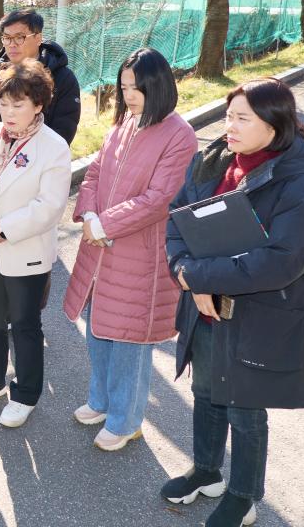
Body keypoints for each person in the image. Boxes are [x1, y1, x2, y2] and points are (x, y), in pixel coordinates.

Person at [160, 78, 304, 527]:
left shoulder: (299, 186)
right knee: (206, 393)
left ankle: (243, 495)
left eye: (241, 118)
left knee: (244, 407)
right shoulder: (213, 161)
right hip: (206, 306)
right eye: (228, 115)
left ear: (273, 126)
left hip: (258, 316)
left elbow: (282, 262)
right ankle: (207, 471)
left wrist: (198, 276)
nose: (228, 126)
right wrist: (189, 277)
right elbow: (177, 221)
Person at [62, 48, 197, 452]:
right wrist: (87, 213)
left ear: (160, 87)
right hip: (99, 245)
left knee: (130, 342)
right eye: (124, 88)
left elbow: (160, 199)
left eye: (138, 88)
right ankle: (102, 402)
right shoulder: (123, 123)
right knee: (99, 329)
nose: (130, 95)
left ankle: (126, 420)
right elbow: (96, 172)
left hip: (140, 253)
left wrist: (104, 223)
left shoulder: (179, 134)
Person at [0, 58, 72, 427]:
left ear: (39, 104)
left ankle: (25, 393)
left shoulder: (53, 147)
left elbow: (49, 207)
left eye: (18, 104)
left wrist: (1, 228)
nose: (8, 111)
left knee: (24, 323)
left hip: (24, 248)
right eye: (4, 103)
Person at [0, 8, 82, 144]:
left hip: (43, 160)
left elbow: (64, 130)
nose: (12, 44)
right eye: (7, 38)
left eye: (19, 37)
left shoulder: (62, 78)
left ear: (38, 38)